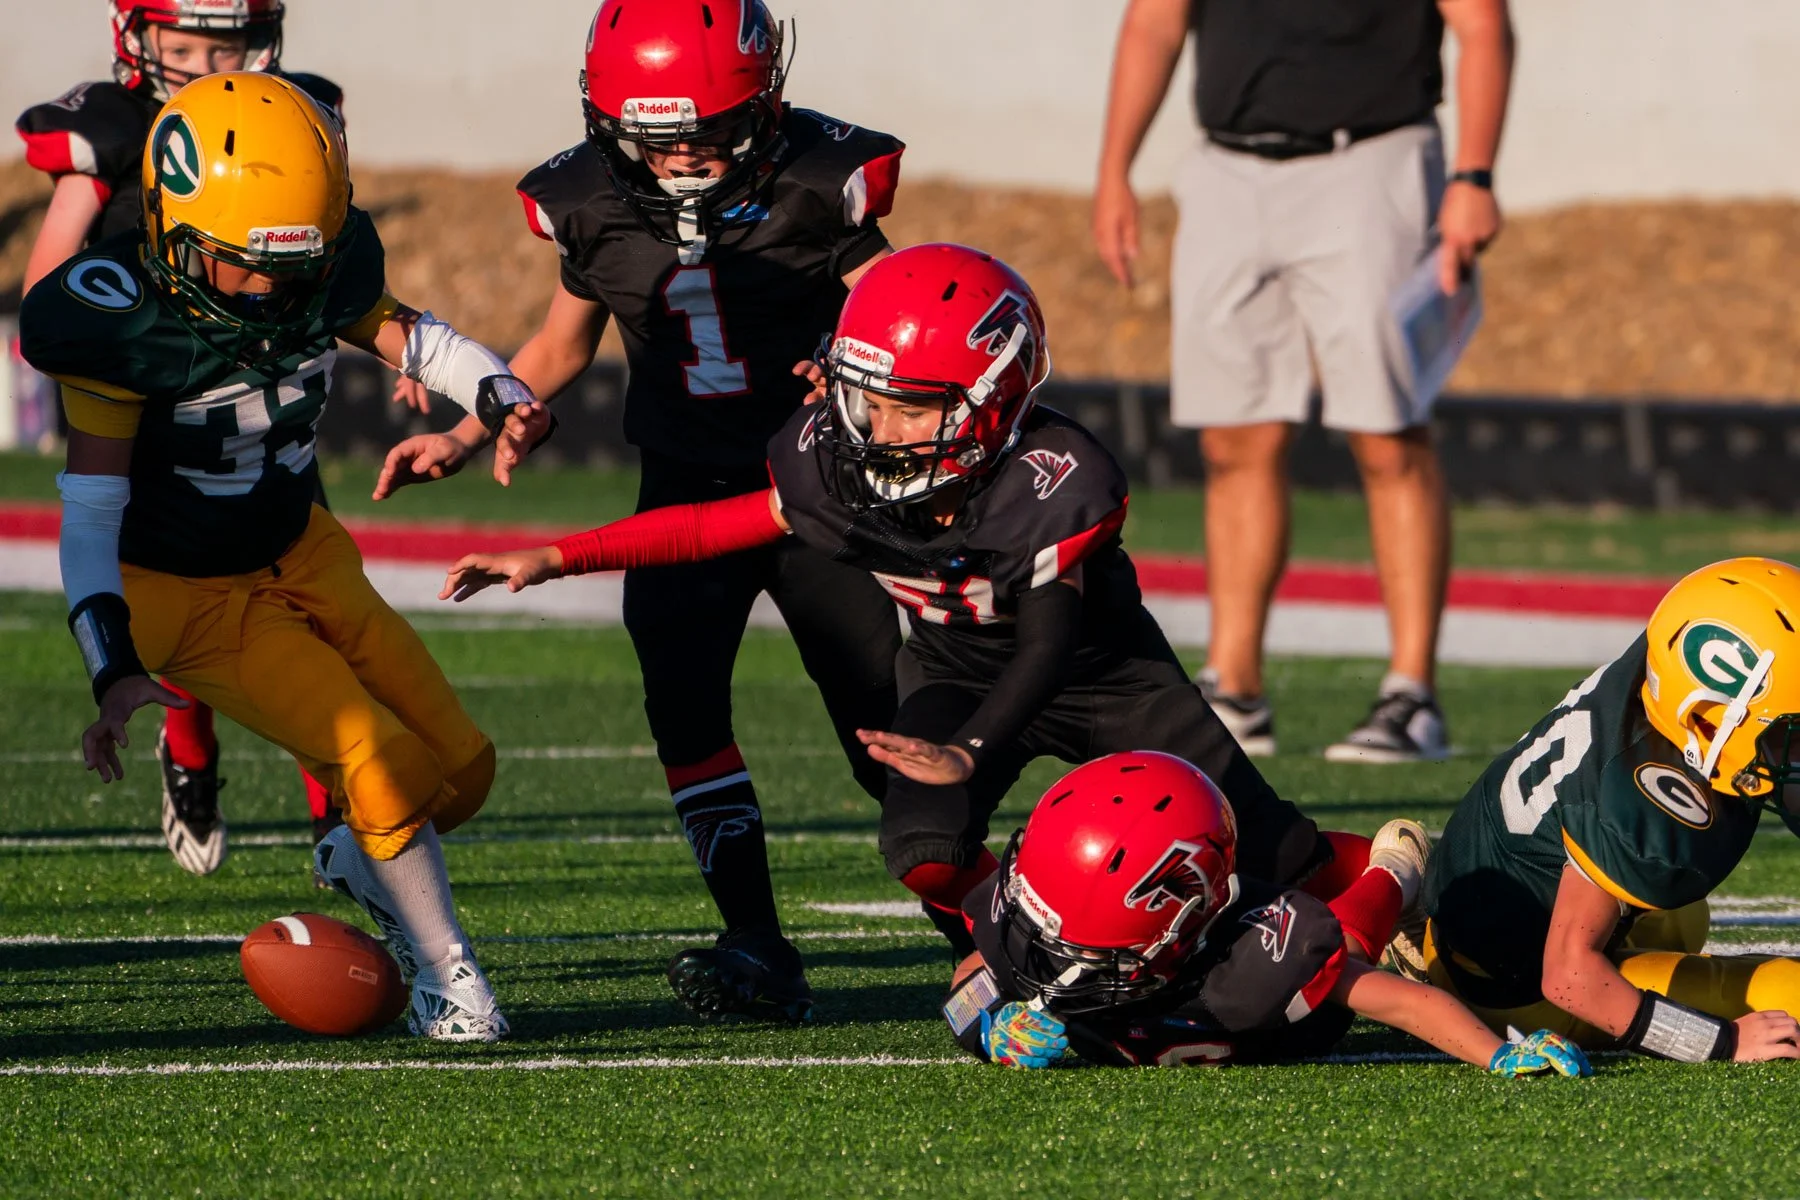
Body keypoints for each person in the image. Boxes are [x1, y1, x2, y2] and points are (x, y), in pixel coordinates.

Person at [437, 244, 1394, 979]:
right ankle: (1024, 968)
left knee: (1279, 860)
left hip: (1104, 679)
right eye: (868, 400)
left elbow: (1050, 643)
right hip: (950, 667)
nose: (879, 430)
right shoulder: (833, 454)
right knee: (924, 848)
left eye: (912, 408)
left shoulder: (1055, 479)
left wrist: (972, 751)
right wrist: (556, 557)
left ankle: (1399, 884)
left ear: (994, 399)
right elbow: (711, 526)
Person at [375, 0, 906, 1025]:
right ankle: (755, 936)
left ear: (762, 106)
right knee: (685, 707)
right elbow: (564, 343)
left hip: (823, 495)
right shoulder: (590, 204)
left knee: (880, 716)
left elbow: (904, 317)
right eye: (656, 142)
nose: (685, 163)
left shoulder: (814, 186)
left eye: (709, 136)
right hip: (684, 485)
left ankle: (979, 920)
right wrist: (474, 430)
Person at [18, 72, 551, 1041]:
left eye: (296, 265)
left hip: (301, 546)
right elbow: (91, 512)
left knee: (461, 771)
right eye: (246, 266)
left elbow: (413, 338)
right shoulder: (122, 321)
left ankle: (359, 860)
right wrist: (110, 666)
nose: (274, 289)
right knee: (378, 760)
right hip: (183, 595)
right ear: (174, 237)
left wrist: (502, 394)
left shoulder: (311, 267)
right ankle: (452, 982)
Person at [1092, 0, 1516, 762]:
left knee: (1389, 435)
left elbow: (1482, 23)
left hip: (1373, 162)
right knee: (1233, 438)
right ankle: (1236, 689)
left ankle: (1411, 694)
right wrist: (1114, 170)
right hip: (1227, 169)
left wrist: (1474, 174)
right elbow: (1154, 21)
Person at [16, 0, 349, 879]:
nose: (206, 63)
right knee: (195, 603)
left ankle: (339, 814)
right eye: (186, 43)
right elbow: (48, 291)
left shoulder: (293, 117)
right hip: (160, 406)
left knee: (308, 609)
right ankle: (192, 755)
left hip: (268, 398)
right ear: (139, 36)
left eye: (227, 44)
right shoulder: (117, 128)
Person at [941, 751, 1589, 1077]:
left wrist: (1500, 1053)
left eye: (1081, 949)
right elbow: (970, 978)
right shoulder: (1035, 919)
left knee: (1347, 947)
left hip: (1285, 1027)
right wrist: (988, 1025)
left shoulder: (1264, 948)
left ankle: (1398, 867)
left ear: (1182, 928)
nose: (1044, 963)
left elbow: (1400, 1004)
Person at [1424, 557, 1800, 1063]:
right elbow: (1570, 979)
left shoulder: (1664, 681)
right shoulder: (1639, 804)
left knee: (1682, 918)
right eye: (1789, 732)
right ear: (1709, 723)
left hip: (1500, 907)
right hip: (1519, 986)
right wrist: (1722, 1042)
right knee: (1791, 997)